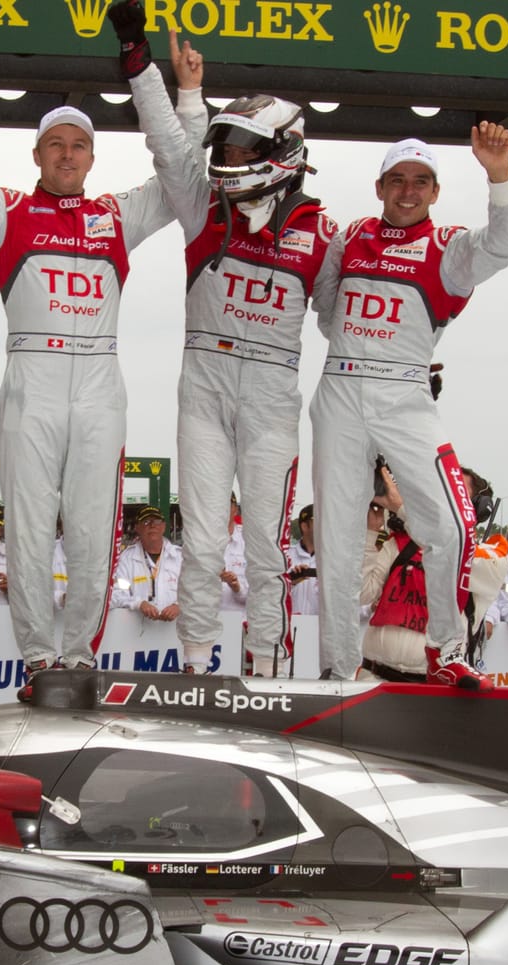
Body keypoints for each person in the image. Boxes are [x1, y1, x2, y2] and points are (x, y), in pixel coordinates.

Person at [0, 45, 177, 674]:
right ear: (37, 155)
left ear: (91, 156)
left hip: (100, 384)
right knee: (29, 527)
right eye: (54, 144)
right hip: (34, 378)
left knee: (91, 528)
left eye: (77, 145)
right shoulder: (8, 210)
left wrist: (170, 94)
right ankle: (37, 657)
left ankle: (80, 659)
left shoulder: (117, 215)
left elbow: (182, 176)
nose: (66, 154)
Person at [119, 13, 333, 676]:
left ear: (282, 152)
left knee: (267, 548)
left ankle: (268, 665)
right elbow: (166, 141)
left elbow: (344, 319)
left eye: (243, 148)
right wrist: (138, 58)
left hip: (272, 397)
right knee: (206, 542)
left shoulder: (322, 233)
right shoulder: (204, 206)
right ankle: (194, 665)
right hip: (204, 389)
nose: (229, 159)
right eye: (228, 146)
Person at [309, 127, 508, 690]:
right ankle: (336, 666)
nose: (408, 191)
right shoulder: (351, 234)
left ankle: (449, 650)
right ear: (380, 186)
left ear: (434, 192)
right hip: (340, 388)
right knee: (336, 533)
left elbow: (507, 244)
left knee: (452, 525)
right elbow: (327, 313)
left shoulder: (448, 246)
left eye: (421, 182)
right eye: (398, 180)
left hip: (406, 393)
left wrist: (498, 174)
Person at [362, 501, 430, 680]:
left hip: (426, 679)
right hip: (375, 673)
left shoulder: (471, 556)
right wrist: (371, 532)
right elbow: (363, 593)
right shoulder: (394, 545)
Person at [111, 505, 184, 626]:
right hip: (136, 633)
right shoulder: (125, 559)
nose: (152, 525)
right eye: (146, 522)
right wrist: (139, 604)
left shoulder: (180, 557)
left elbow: (194, 591)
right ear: (137, 528)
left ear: (164, 526)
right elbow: (116, 593)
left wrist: (179, 605)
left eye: (156, 521)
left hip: (176, 633)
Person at [286, 503, 319, 616]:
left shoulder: (331, 560)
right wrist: (292, 581)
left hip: (319, 628)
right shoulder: (286, 556)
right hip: (290, 626)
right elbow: (272, 593)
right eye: (318, 519)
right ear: (304, 526)